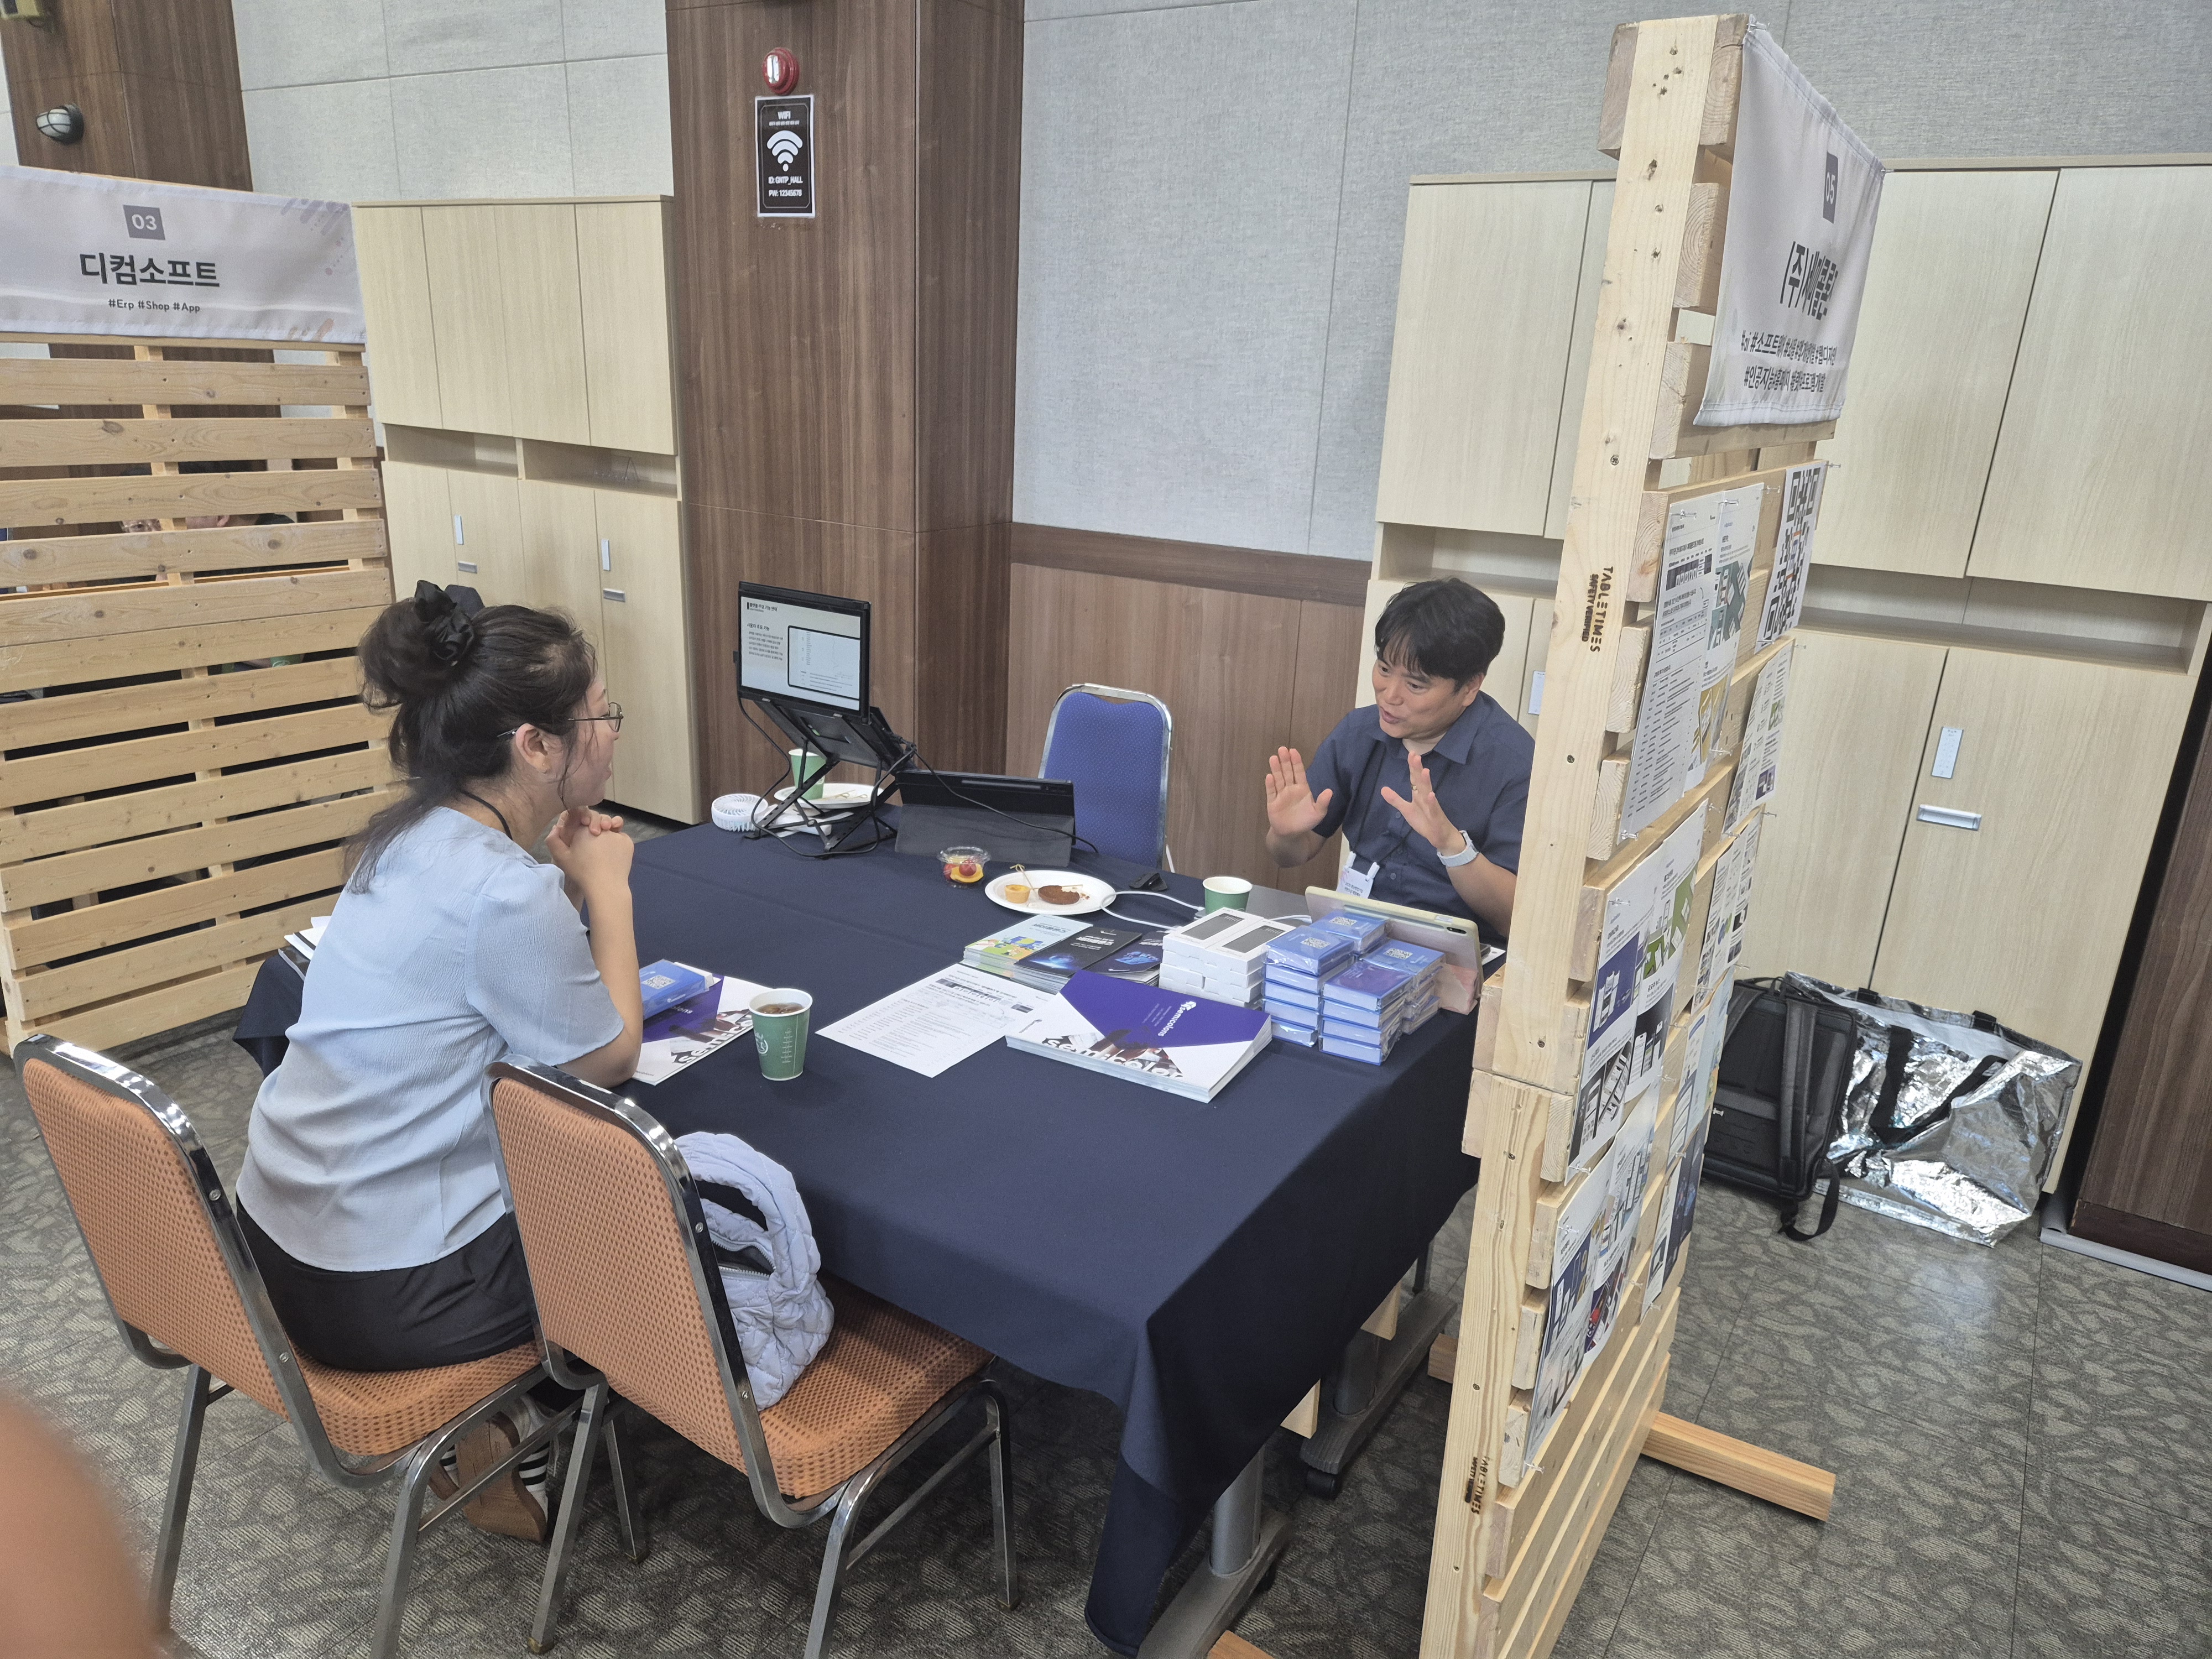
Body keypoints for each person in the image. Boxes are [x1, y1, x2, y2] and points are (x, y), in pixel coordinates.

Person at [234, 581, 643, 1540]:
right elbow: (611, 1055)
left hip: (276, 1253)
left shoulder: (406, 840)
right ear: (535, 746)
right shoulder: (504, 890)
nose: (612, 735)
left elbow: (489, 979)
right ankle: (511, 1420)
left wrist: (558, 879)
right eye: (601, 716)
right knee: (646, 1226)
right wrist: (608, 889)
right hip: (388, 1295)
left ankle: (493, 1427)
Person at [1263, 577, 1532, 945]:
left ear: (1470, 687)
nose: (1389, 695)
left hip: (1461, 954)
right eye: (1384, 668)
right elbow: (1290, 855)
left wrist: (1453, 847)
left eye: (1415, 685)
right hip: (1356, 932)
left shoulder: (1515, 764)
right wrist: (1286, 834)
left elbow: (1513, 919)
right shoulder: (1359, 732)